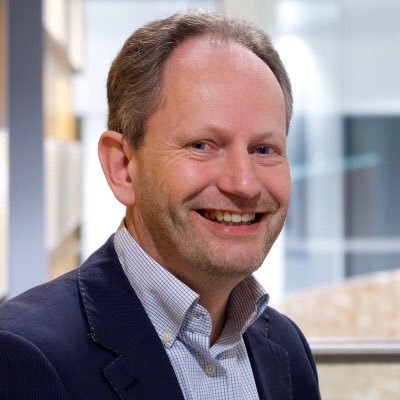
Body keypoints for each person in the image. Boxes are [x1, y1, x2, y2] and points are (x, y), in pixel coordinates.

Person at [0, 10, 321, 400]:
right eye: (202, 145)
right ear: (123, 167)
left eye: (264, 149)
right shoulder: (22, 357)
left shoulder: (287, 347)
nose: (244, 183)